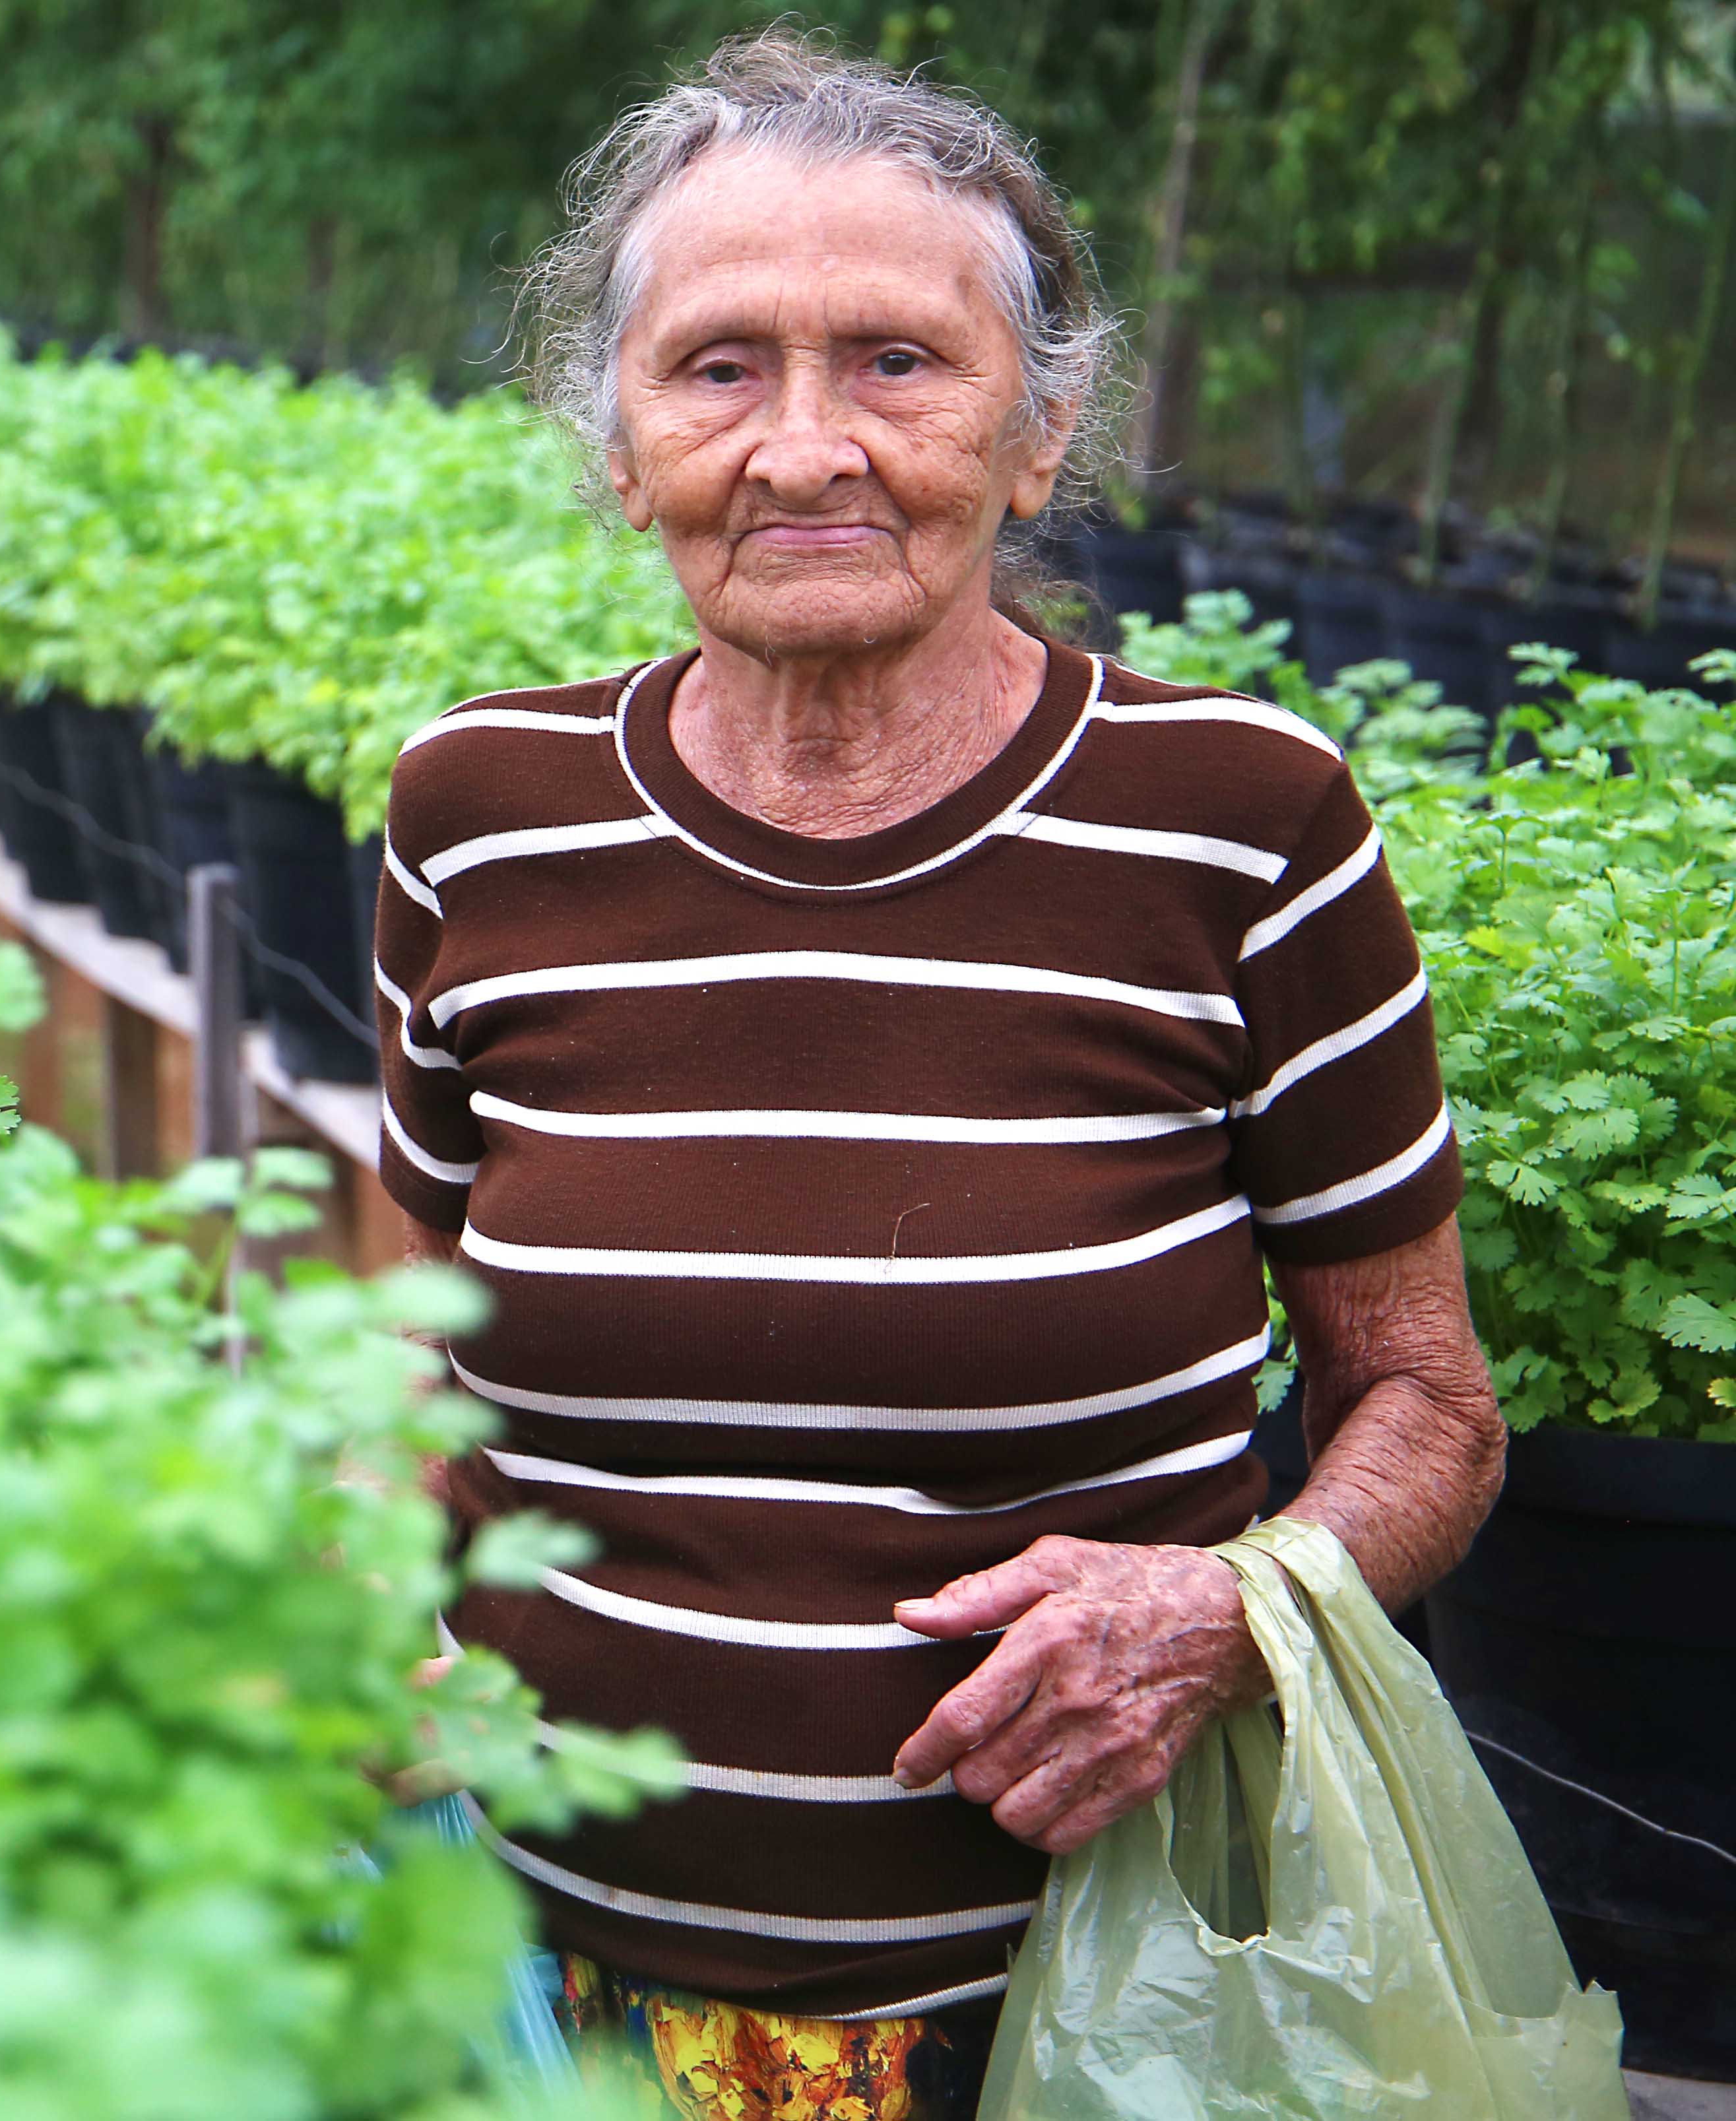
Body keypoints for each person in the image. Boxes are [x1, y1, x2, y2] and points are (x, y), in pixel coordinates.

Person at [377, 31, 1507, 2120]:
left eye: (898, 362)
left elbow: (1427, 1403)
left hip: (1094, 2018)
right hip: (537, 1997)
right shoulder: (485, 816)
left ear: (1040, 431)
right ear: (617, 442)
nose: (807, 448)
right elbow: (416, 1367)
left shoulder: (1237, 827)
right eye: (718, 368)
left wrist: (1220, 1607)